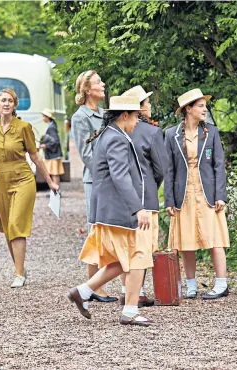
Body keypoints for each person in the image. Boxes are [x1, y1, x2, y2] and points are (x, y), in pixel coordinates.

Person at [67, 95, 153, 326]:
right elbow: (120, 176)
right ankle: (130, 310)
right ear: (124, 115)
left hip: (110, 210)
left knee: (121, 260)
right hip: (119, 211)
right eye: (136, 116)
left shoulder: (110, 135)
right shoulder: (117, 139)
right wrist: (138, 209)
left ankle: (82, 292)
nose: (138, 121)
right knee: (138, 257)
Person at [0, 88, 59, 288]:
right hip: (0, 180)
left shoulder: (23, 127)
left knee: (16, 224)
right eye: (3, 101)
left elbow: (35, 155)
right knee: (7, 228)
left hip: (23, 179)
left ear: (14, 105)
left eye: (10, 100)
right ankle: (20, 268)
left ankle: (18, 274)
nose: (6, 104)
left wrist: (50, 181)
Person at [164, 88, 230, 299]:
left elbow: (219, 166)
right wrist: (169, 200)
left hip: (208, 194)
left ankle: (221, 283)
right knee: (186, 241)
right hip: (183, 195)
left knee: (215, 238)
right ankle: (191, 285)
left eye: (205, 105)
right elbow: (169, 170)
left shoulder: (211, 132)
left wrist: (221, 195)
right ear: (188, 109)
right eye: (200, 106)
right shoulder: (171, 135)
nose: (205, 109)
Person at [118, 85, 169, 306]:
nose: (150, 105)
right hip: (146, 197)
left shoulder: (117, 128)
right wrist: (151, 184)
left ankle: (125, 289)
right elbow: (161, 169)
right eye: (146, 102)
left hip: (122, 196)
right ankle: (136, 293)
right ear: (139, 108)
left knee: (125, 246)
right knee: (144, 248)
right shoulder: (152, 132)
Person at [69, 70, 117, 302]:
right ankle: (93, 287)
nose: (103, 84)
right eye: (98, 82)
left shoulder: (105, 114)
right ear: (87, 89)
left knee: (105, 230)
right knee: (95, 231)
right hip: (96, 179)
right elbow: (86, 153)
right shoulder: (81, 117)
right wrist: (107, 174)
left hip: (111, 178)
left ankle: (95, 285)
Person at [40, 108, 65, 187]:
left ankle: (56, 191)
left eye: (44, 116)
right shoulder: (52, 125)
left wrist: (45, 146)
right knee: (54, 173)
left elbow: (55, 141)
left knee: (54, 173)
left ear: (48, 117)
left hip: (53, 154)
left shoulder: (51, 127)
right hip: (54, 154)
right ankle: (55, 191)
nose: (43, 118)